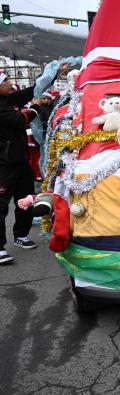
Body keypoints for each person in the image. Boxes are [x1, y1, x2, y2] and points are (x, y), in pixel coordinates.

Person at [0, 73, 43, 264]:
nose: (9, 83)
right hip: (3, 164)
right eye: (4, 81)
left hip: (21, 162)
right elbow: (20, 120)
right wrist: (34, 107)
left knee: (24, 200)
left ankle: (21, 235)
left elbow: (29, 91)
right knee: (1, 206)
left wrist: (52, 73)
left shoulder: (8, 99)